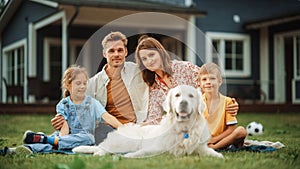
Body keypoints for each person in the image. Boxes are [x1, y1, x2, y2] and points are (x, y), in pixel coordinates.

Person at [51, 32, 149, 134]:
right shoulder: (93, 84)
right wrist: (61, 119)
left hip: (136, 127)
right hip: (111, 130)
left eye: (120, 50)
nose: (116, 54)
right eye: (111, 51)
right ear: (104, 54)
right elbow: (75, 107)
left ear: (126, 52)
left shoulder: (137, 71)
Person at [135, 35, 239, 125]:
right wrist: (143, 126)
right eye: (144, 59)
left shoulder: (185, 68)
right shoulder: (154, 86)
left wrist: (227, 103)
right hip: (183, 124)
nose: (149, 61)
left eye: (151, 55)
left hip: (206, 116)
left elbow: (211, 84)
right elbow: (154, 116)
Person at [198, 62, 247, 150]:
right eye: (204, 79)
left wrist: (214, 140)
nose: (208, 82)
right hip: (203, 139)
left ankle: (214, 148)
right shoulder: (197, 102)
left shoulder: (228, 101)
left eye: (212, 78)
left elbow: (231, 129)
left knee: (241, 131)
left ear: (219, 81)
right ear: (200, 83)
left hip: (222, 138)